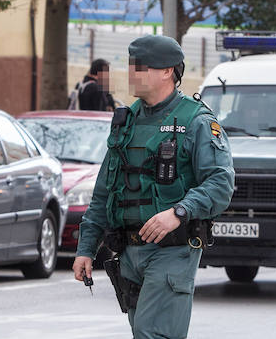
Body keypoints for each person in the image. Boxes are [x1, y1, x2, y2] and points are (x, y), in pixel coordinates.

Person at [72, 35, 235, 339]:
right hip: (129, 251)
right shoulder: (126, 121)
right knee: (144, 333)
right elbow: (105, 190)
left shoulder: (196, 121)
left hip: (172, 249)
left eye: (141, 67)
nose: (132, 72)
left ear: (167, 71)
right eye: (132, 65)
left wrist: (179, 211)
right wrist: (86, 248)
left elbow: (221, 183)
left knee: (151, 334)